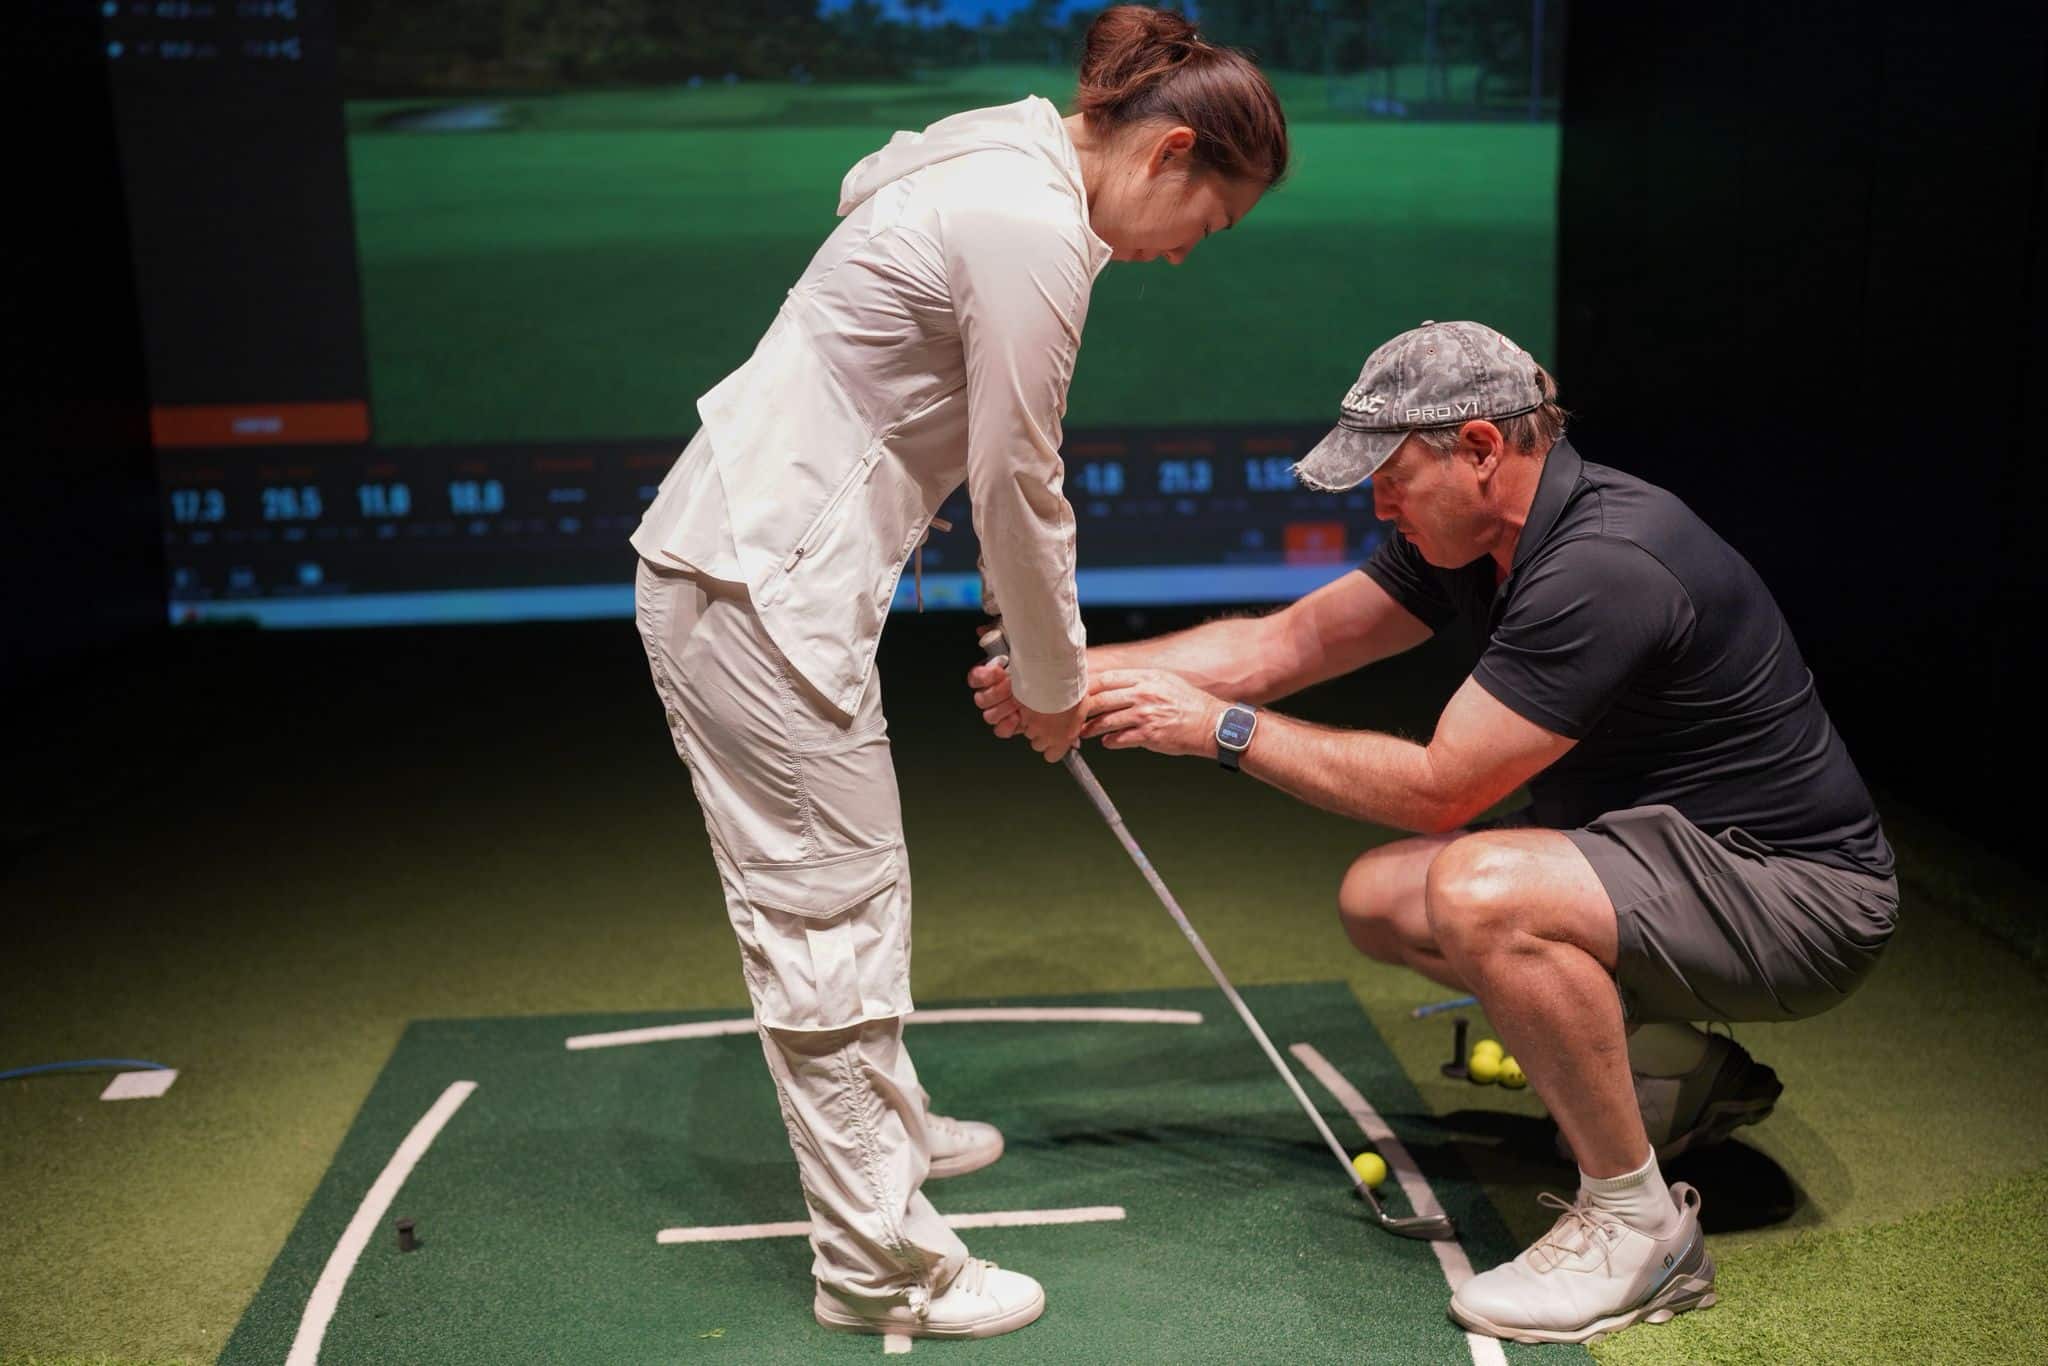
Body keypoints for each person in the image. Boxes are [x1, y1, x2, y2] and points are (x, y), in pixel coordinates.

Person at [967, 320, 1898, 1345]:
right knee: (1382, 898)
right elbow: (1288, 642)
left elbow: (1437, 789)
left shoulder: (1605, 562)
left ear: (1481, 448)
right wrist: (1068, 674)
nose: (1377, 500)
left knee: (1476, 888)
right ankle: (1665, 1074)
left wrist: (1220, 732)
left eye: (1391, 473)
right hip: (1673, 861)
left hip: (1791, 899)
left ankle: (1637, 1230)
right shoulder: (1472, 537)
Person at [629, 6, 1287, 1344]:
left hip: (756, 569)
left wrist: (1036, 649)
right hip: (760, 585)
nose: (1180, 255)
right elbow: (1018, 479)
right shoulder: (1035, 225)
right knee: (828, 921)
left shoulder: (1000, 151)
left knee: (853, 888)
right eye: (1206, 223)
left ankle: (897, 1129)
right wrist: (1056, 680)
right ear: (1166, 151)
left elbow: (868, 187)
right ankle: (879, 1264)